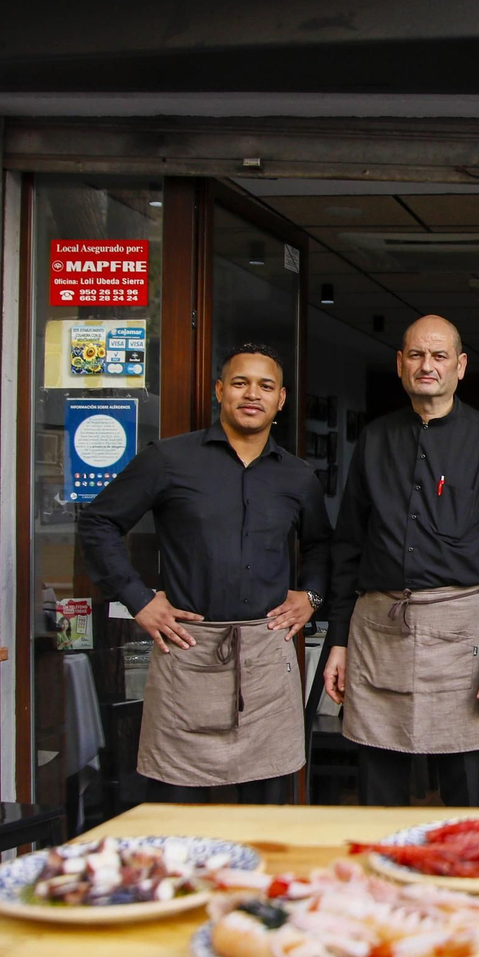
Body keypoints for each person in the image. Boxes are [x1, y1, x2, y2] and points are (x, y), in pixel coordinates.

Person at [79, 343, 330, 804]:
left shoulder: (298, 477)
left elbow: (321, 545)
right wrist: (138, 598)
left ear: (281, 399)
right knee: (179, 814)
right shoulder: (169, 460)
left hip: (266, 657)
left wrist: (310, 595)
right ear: (219, 391)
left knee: (269, 811)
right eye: (239, 383)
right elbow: (98, 523)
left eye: (265, 385)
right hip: (188, 654)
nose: (251, 394)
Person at [322, 315, 479, 808]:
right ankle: (384, 881)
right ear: (399, 364)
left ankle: (460, 882)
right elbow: (347, 545)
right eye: (416, 355)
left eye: (439, 356)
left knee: (460, 781)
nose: (426, 366)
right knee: (377, 772)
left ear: (460, 367)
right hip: (377, 628)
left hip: (460, 630)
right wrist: (337, 640)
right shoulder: (374, 439)